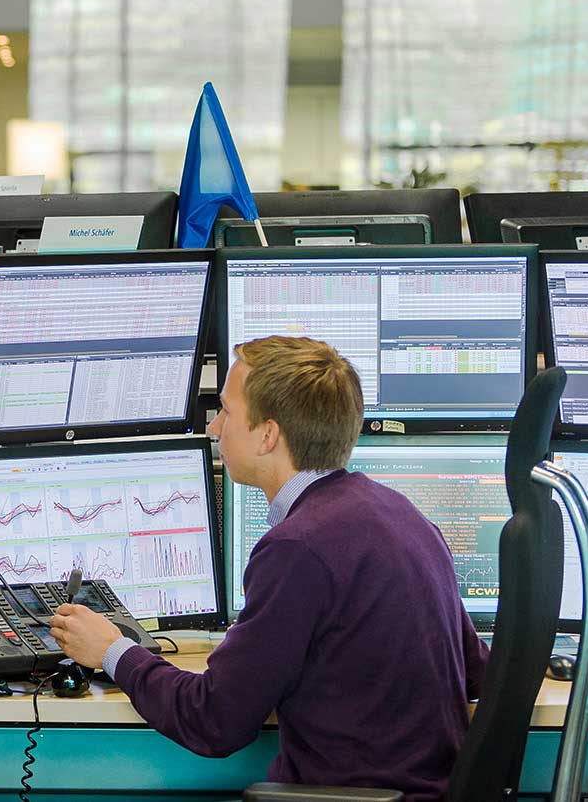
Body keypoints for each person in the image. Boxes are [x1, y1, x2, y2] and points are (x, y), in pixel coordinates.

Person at [50, 335, 489, 802]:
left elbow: (215, 722)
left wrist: (114, 652)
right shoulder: (401, 513)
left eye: (226, 412)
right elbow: (476, 670)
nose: (216, 428)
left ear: (268, 435)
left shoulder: (299, 548)